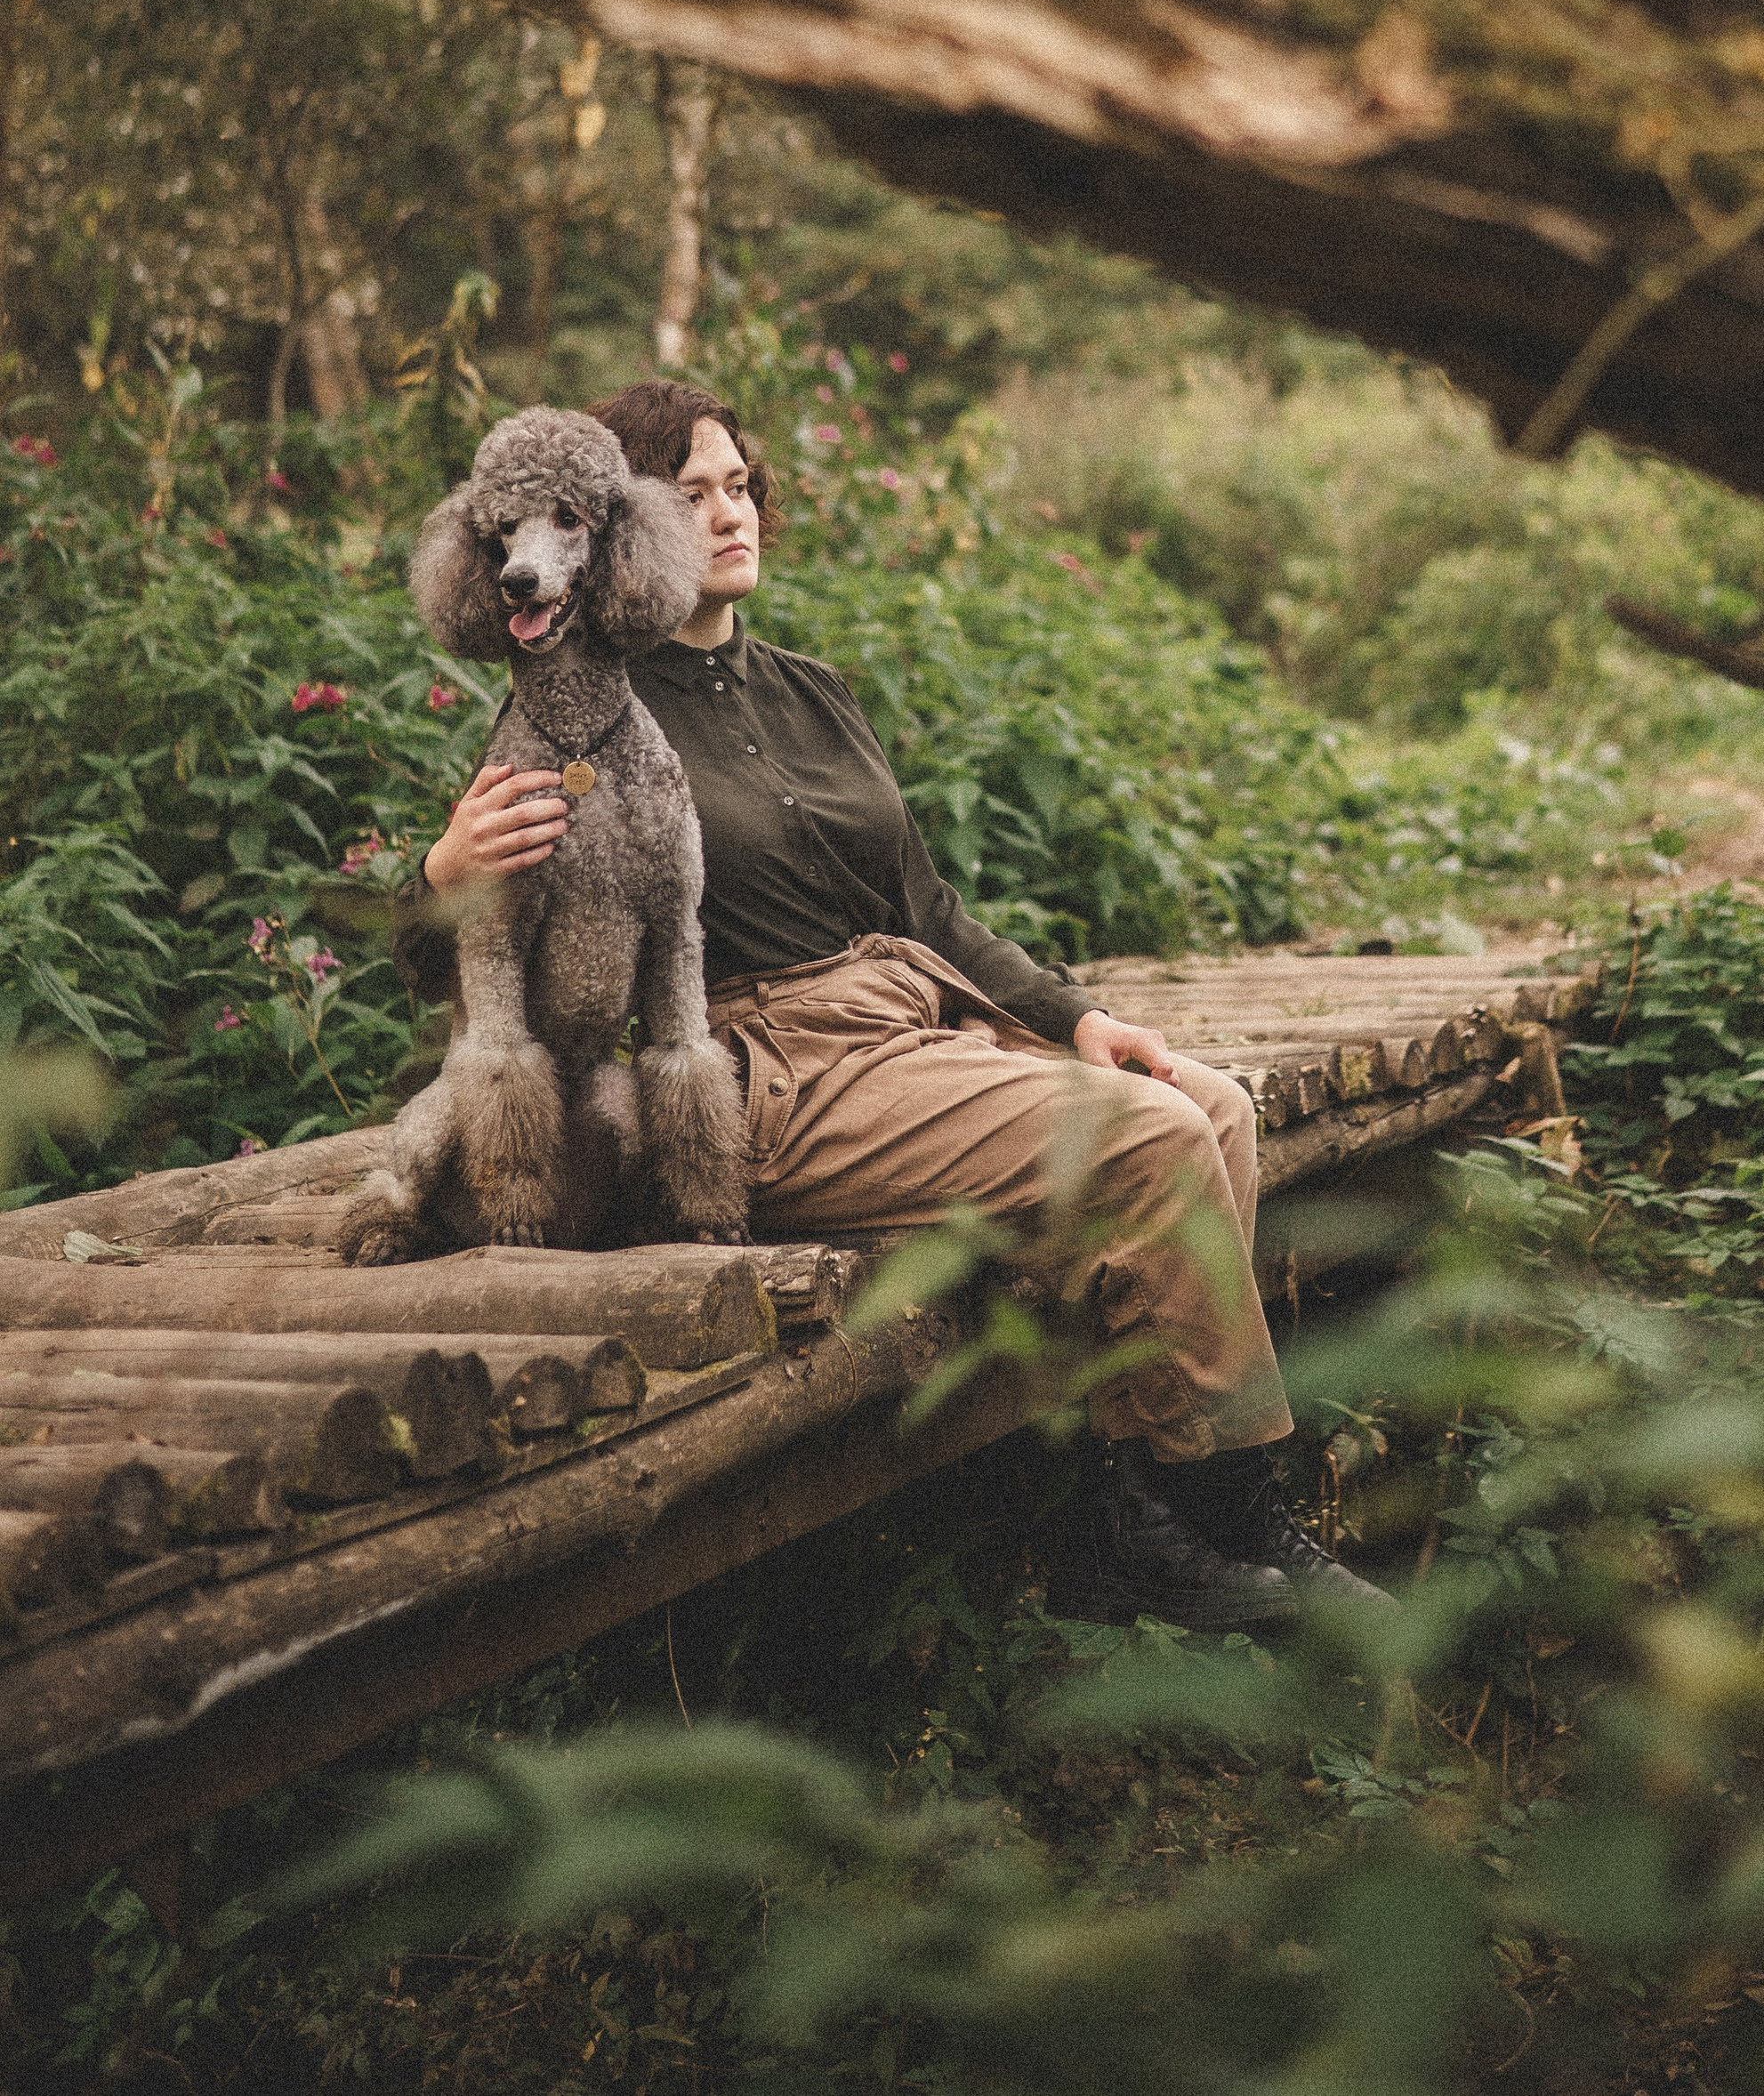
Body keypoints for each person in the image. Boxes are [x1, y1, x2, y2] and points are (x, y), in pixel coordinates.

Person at [412, 377, 1382, 1632]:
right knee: (1150, 1146)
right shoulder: (581, 713)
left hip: (911, 1019)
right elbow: (485, 947)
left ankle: (1129, 1519)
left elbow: (926, 906)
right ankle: (1234, 1519)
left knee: (1214, 1105)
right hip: (771, 1068)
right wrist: (439, 876)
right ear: (618, 525)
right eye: (692, 492)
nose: (731, 511)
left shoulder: (812, 690)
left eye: (741, 483)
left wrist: (1078, 1019)